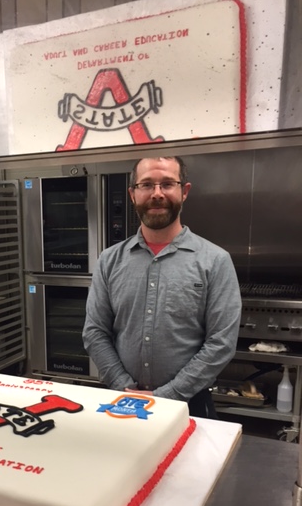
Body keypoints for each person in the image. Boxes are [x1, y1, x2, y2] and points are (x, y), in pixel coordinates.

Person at [82, 156, 241, 418]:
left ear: (184, 191)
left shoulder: (215, 260)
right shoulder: (109, 260)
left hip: (189, 406)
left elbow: (221, 342)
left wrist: (167, 396)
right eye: (146, 185)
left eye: (167, 184)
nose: (157, 194)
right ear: (133, 194)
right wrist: (126, 387)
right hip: (122, 399)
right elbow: (95, 331)